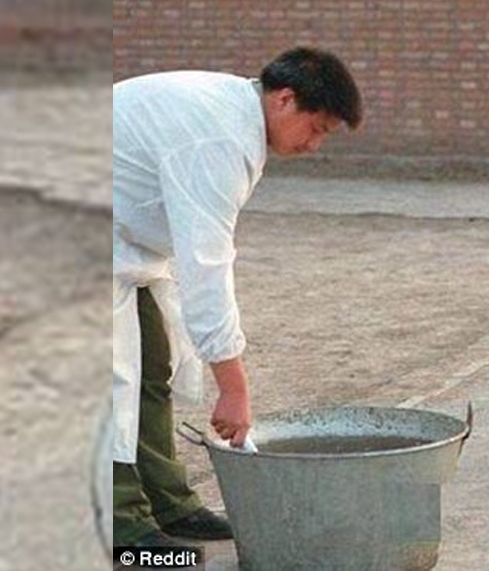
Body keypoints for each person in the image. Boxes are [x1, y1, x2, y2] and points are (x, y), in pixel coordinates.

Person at [111, 47, 362, 549]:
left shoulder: (235, 114)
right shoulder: (217, 138)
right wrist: (234, 388)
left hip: (117, 241)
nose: (315, 145)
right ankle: (118, 523)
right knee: (106, 377)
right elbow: (206, 266)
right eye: (317, 129)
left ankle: (166, 501)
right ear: (285, 99)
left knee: (149, 365)